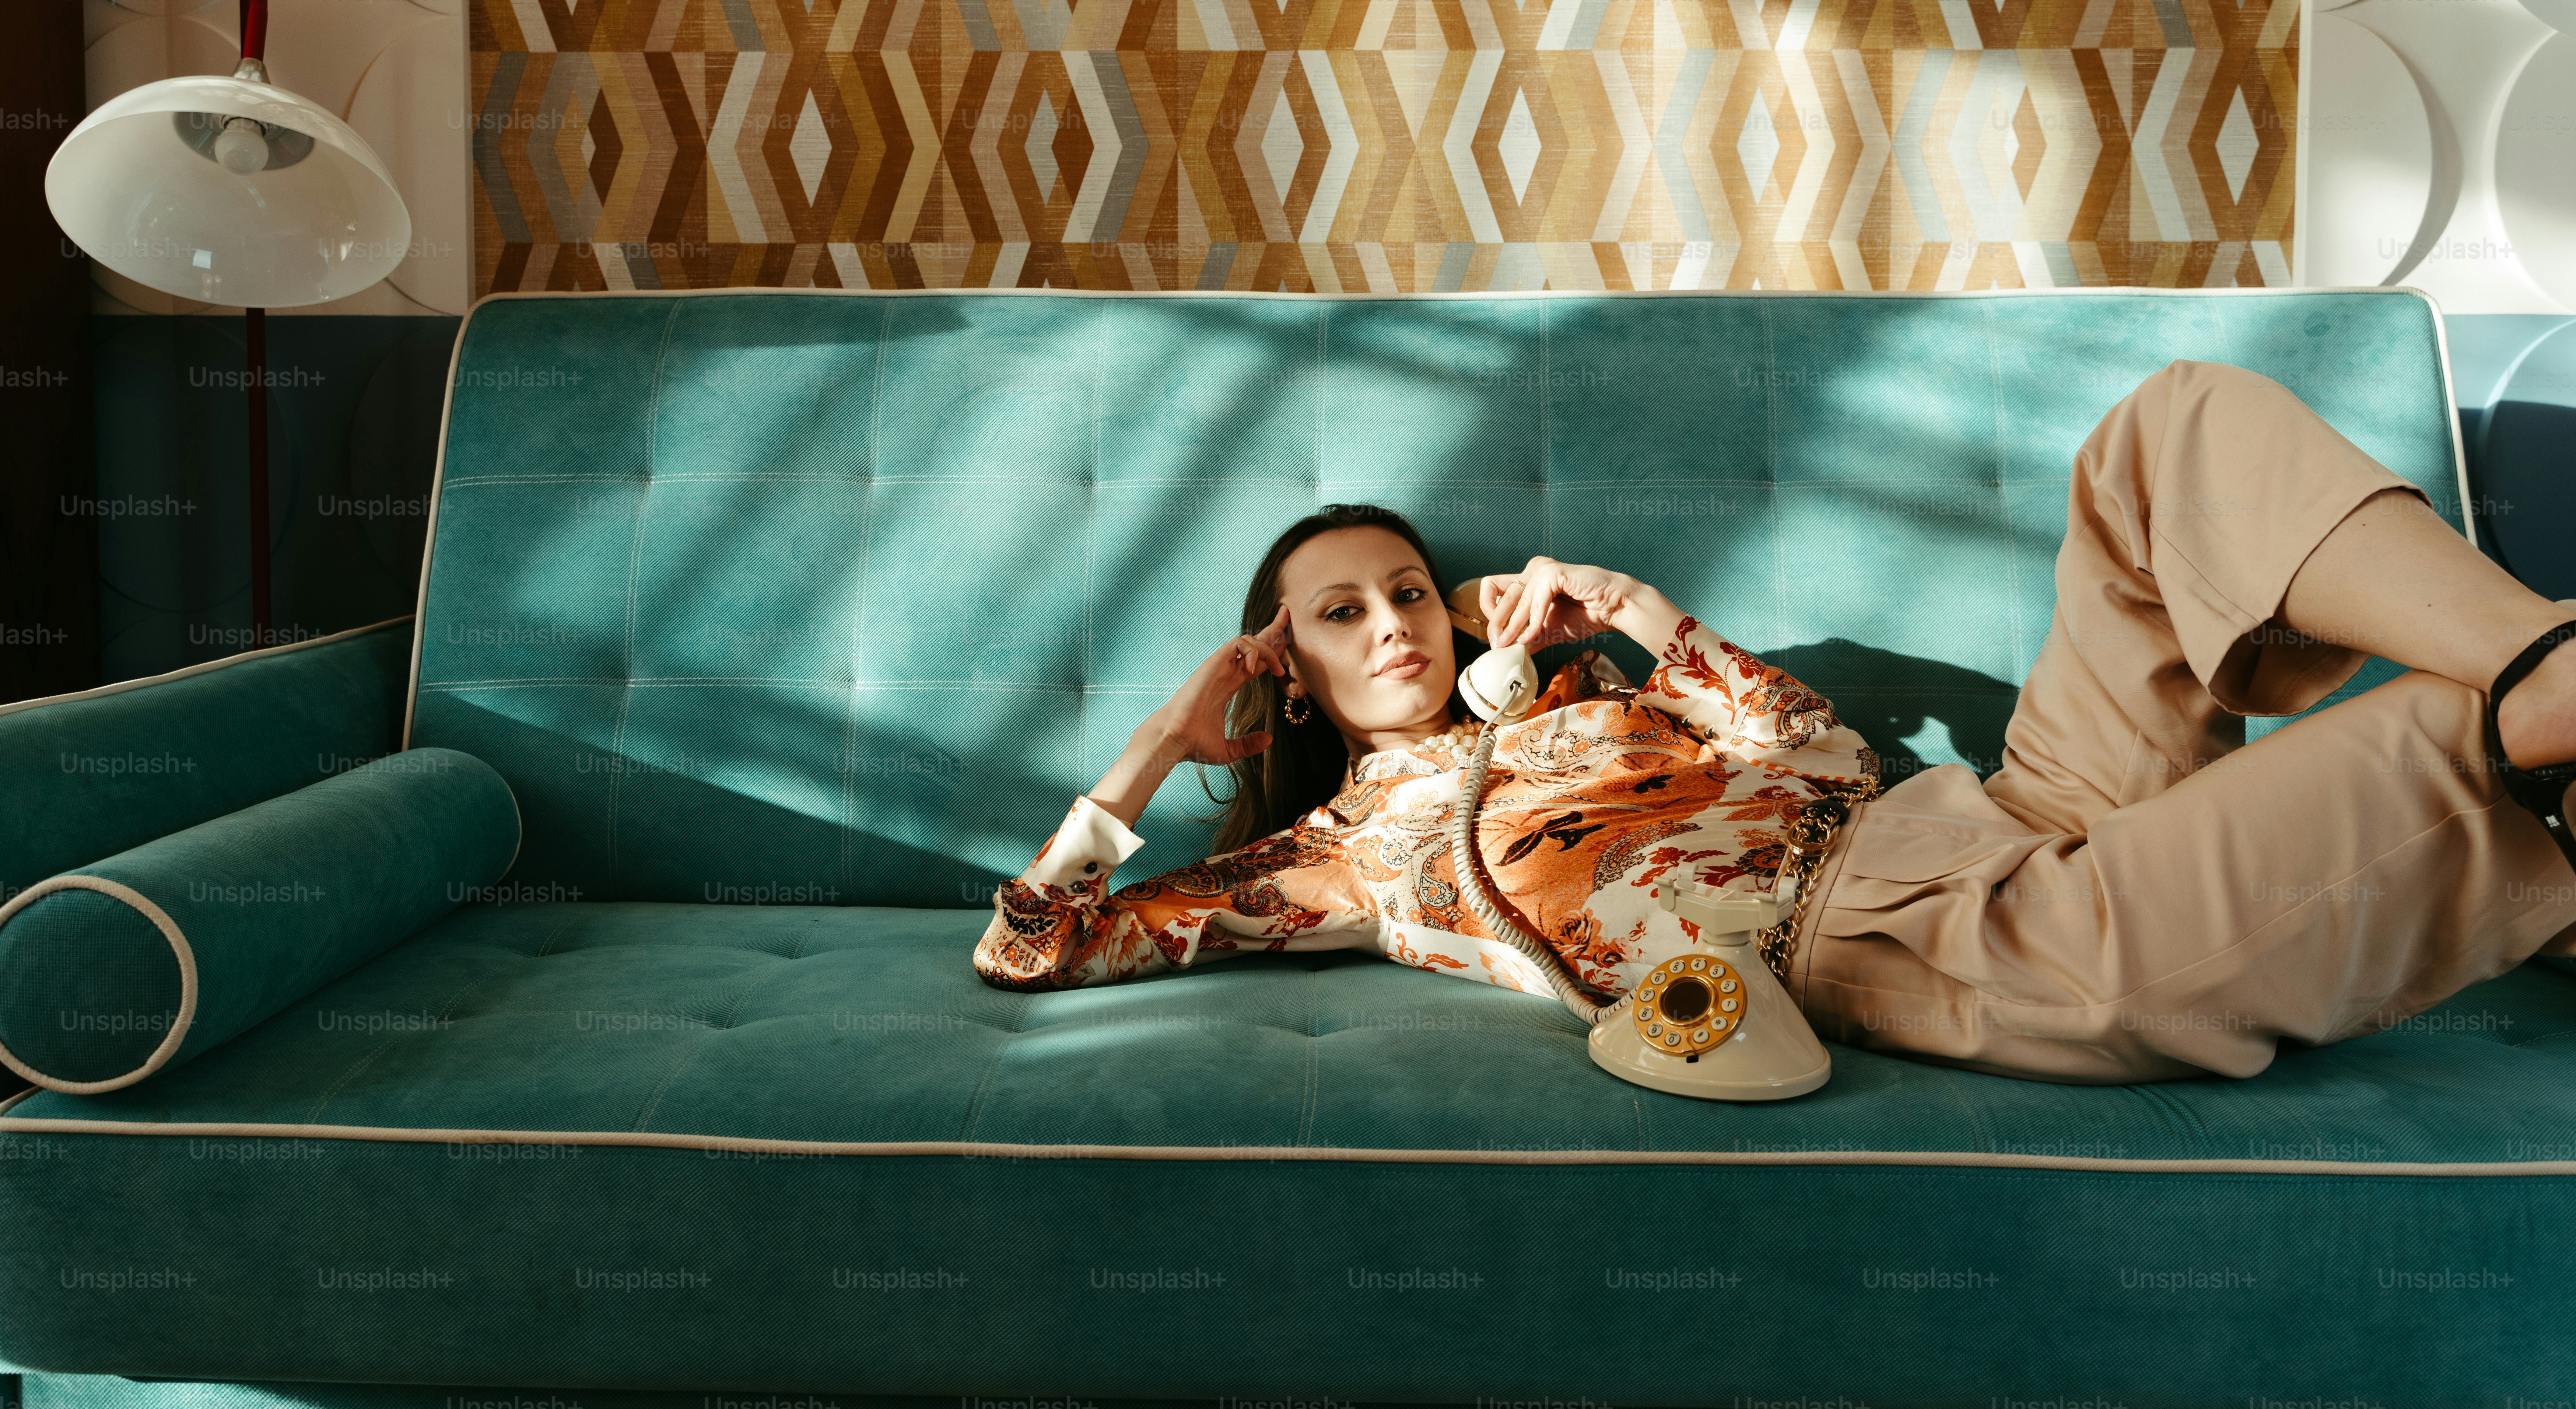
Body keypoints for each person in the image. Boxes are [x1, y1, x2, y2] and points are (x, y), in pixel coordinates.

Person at [972, 361, 2576, 1084]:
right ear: (1288, 670)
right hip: (1942, 944)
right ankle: (2542, 699)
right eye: (1341, 610)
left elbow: (1822, 756)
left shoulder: (1590, 708)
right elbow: (1035, 949)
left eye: (1407, 586)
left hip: (1998, 806)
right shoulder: (1328, 859)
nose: (1392, 618)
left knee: (2166, 427)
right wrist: (1165, 744)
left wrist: (1645, 620)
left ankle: (2545, 664)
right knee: (2446, 742)